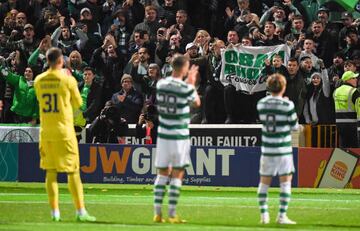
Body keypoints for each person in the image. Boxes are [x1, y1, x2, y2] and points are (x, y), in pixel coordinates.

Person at [34, 47, 96, 222]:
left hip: (46, 132)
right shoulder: (67, 80)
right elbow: (79, 104)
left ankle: (55, 212)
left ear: (47, 61)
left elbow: (41, 99)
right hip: (64, 131)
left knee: (50, 173)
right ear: (61, 61)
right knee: (73, 171)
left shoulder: (39, 80)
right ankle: (80, 211)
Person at [153, 54, 200, 223]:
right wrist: (192, 83)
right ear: (184, 68)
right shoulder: (185, 87)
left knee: (162, 173)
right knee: (178, 173)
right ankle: (172, 214)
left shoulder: (161, 84)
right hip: (179, 135)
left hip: (164, 134)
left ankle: (157, 213)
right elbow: (196, 103)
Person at [256, 73, 298, 225]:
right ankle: (281, 216)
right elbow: (294, 127)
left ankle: (264, 215)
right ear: (283, 87)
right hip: (283, 150)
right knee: (285, 183)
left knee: (264, 183)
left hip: (267, 150)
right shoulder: (288, 105)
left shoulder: (261, 103)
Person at [333, 71, 360, 148]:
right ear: (348, 80)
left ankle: (343, 160)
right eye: (354, 78)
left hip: (339, 124)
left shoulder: (336, 91)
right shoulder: (354, 91)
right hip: (353, 124)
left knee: (343, 148)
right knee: (355, 149)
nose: (356, 80)